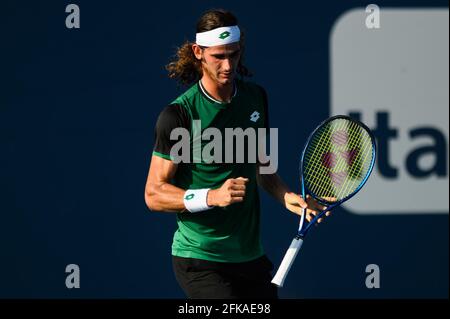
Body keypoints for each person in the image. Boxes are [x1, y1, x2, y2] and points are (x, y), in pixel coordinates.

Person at [144, 9, 329, 299]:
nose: (228, 65)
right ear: (198, 52)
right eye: (218, 56)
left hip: (249, 257)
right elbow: (154, 194)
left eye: (234, 54)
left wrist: (286, 196)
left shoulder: (255, 98)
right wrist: (211, 196)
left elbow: (260, 164)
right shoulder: (179, 115)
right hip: (201, 259)